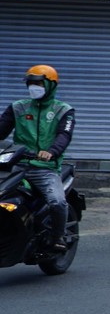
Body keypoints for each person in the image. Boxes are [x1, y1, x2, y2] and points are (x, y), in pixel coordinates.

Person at [0, 65, 75, 251]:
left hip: (44, 168)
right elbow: (1, 129)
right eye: (31, 83)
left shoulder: (63, 110)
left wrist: (52, 151)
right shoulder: (18, 107)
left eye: (38, 83)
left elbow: (64, 135)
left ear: (50, 85)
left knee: (57, 201)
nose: (34, 86)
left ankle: (58, 236)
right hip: (15, 165)